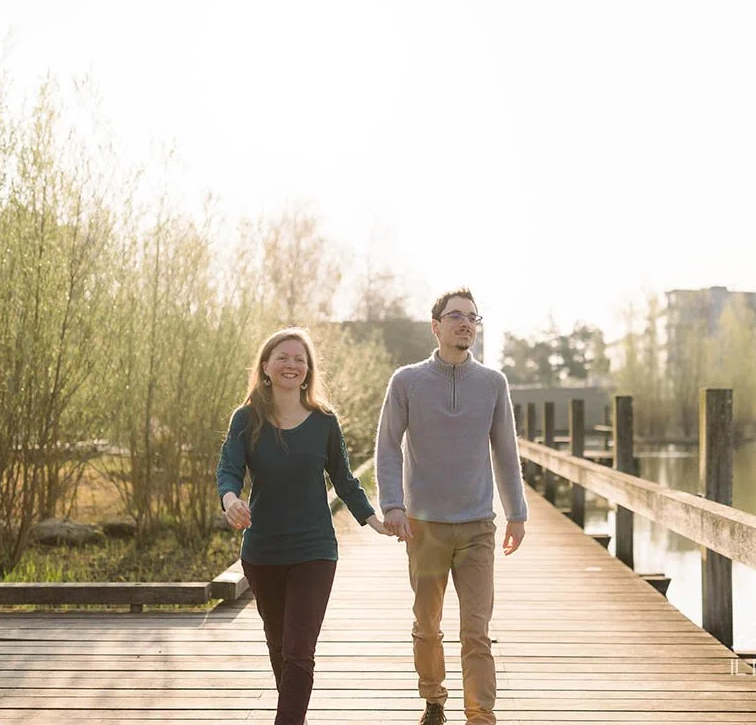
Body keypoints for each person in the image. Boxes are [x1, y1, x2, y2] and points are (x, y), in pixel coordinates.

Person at [217, 326, 390, 725]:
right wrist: (230, 500)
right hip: (262, 550)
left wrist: (372, 518)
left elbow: (344, 479)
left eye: (300, 358)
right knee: (279, 644)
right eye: (283, 357)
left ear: (309, 369)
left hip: (314, 548)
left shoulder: (324, 421)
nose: (291, 364)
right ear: (265, 367)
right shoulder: (246, 418)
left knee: (298, 650)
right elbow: (229, 469)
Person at [375, 287, 528, 725]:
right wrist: (392, 505)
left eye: (473, 317)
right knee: (427, 624)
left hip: (479, 525)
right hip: (424, 528)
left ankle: (481, 715)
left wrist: (516, 512)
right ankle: (434, 697)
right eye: (456, 315)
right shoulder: (407, 381)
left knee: (476, 631)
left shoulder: (493, 383)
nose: (466, 323)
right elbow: (387, 446)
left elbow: (505, 452)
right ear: (436, 326)